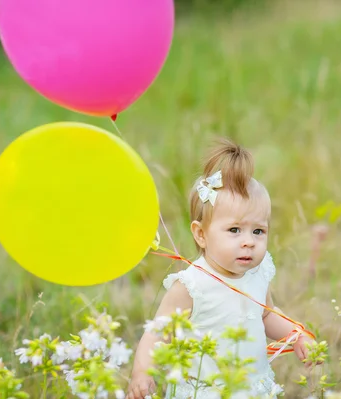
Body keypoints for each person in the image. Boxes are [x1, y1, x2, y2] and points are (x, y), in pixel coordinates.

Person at [126, 138, 316, 399]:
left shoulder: (258, 273)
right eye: (234, 230)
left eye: (258, 231)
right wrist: (142, 373)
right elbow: (158, 334)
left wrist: (297, 335)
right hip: (204, 390)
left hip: (249, 388)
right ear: (201, 234)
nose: (249, 241)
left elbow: (266, 315)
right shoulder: (191, 285)